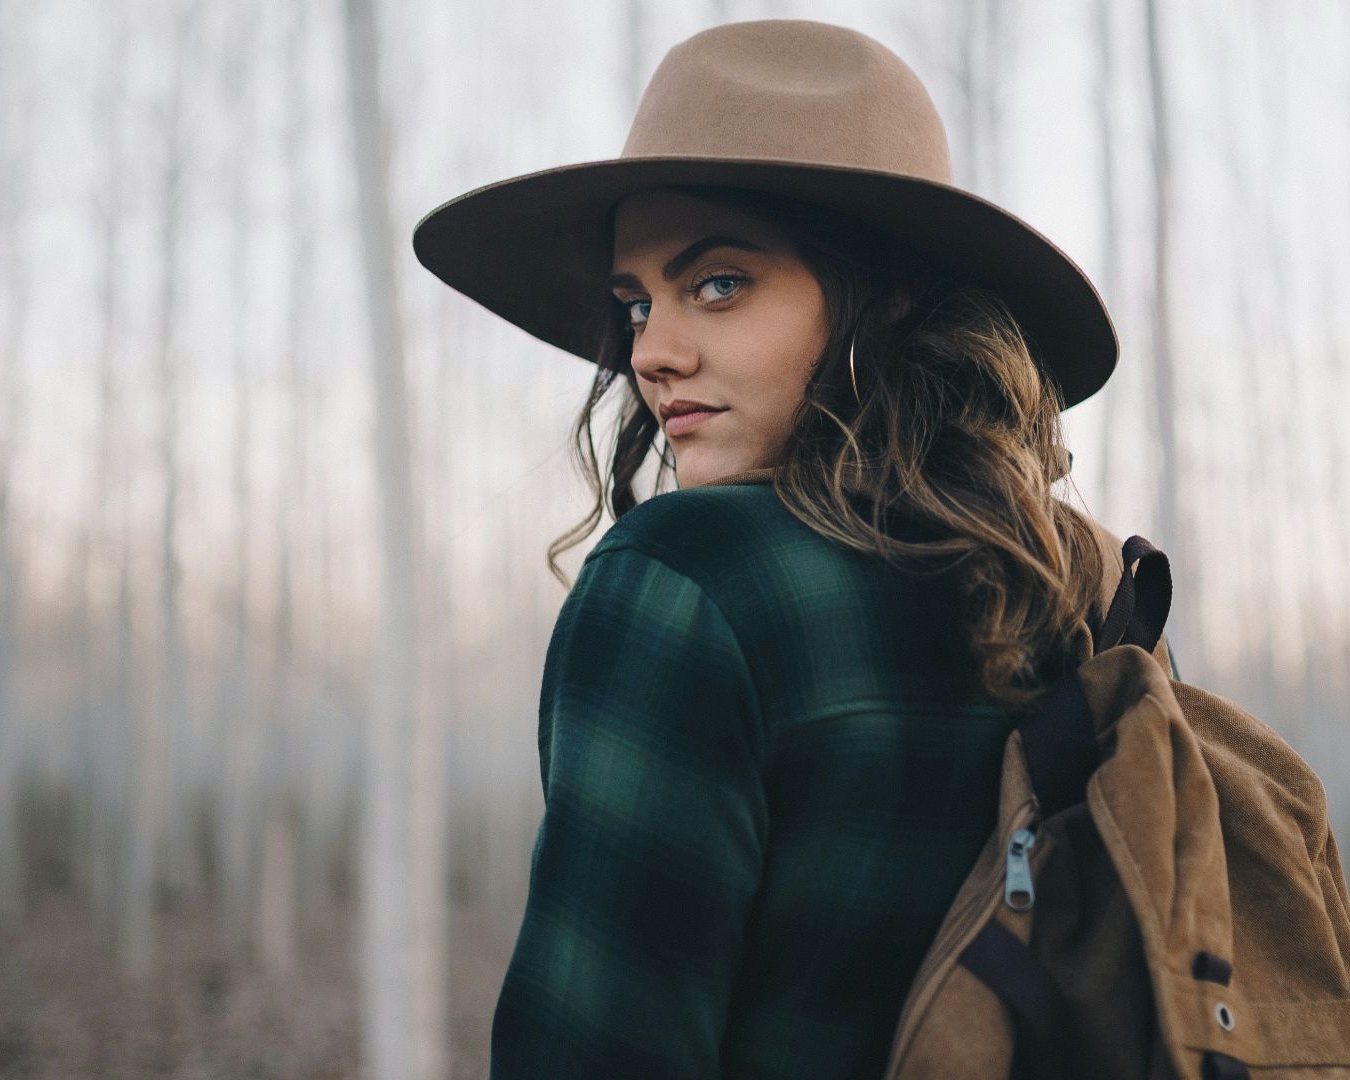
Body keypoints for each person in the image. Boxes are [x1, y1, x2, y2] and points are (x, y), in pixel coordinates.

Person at [414, 18, 1139, 1080]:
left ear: (886, 295)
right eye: (635, 302)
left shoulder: (686, 580)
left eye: (718, 283)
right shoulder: (1067, 586)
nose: (650, 354)